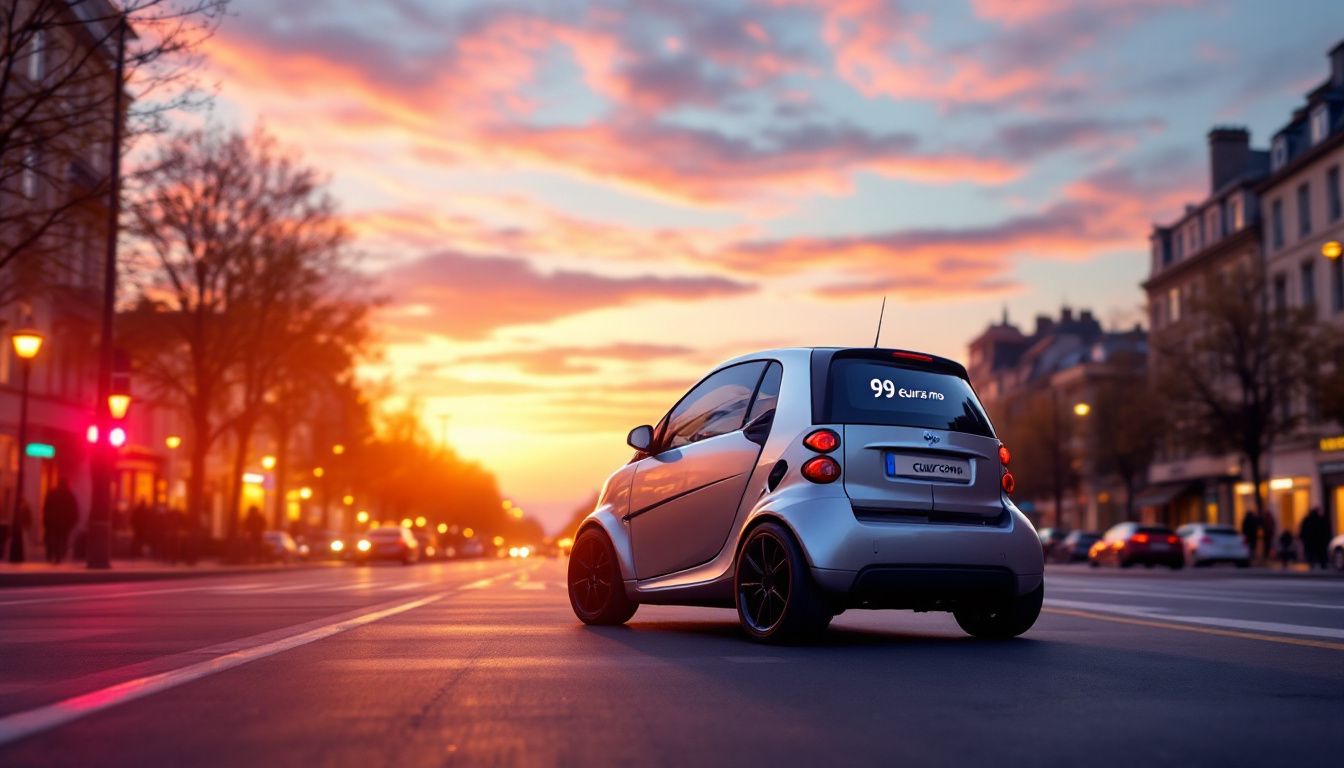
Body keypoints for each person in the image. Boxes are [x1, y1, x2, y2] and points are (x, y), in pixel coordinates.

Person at [42, 479, 79, 565]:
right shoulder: (69, 495)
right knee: (62, 539)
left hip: (53, 522)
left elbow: (46, 508)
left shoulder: (52, 494)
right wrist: (72, 522)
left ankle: (52, 555)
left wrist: (46, 521)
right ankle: (59, 555)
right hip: (63, 523)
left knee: (53, 539)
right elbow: (74, 510)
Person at [9, 498, 32, 563]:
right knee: (24, 542)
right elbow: (28, 519)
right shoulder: (25, 509)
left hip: (22, 528)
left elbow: (27, 518)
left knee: (24, 542)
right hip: (22, 528)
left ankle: (23, 556)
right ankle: (24, 556)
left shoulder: (22, 510)